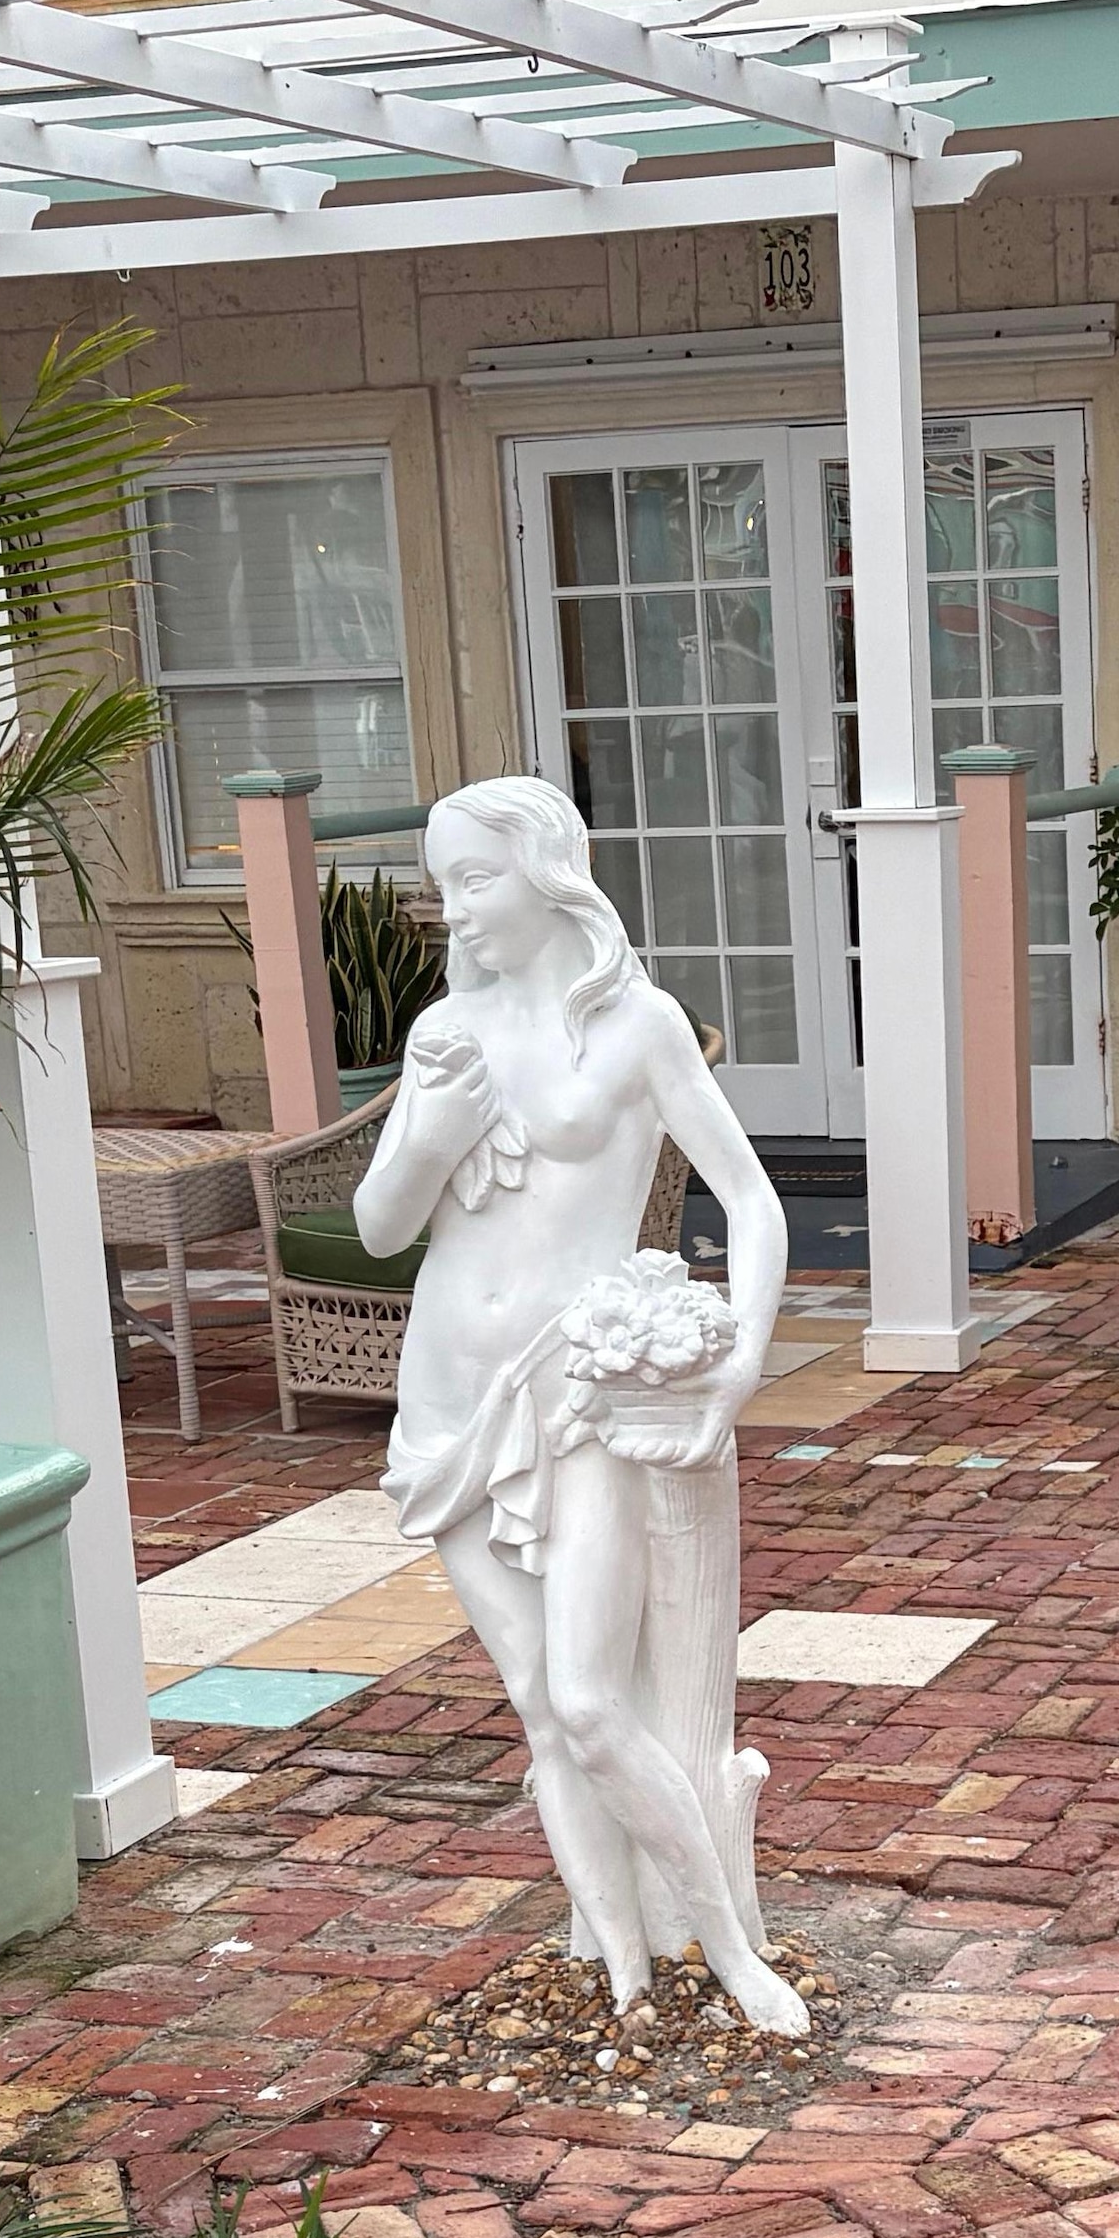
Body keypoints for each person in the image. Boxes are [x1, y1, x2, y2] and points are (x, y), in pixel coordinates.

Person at [361, 774, 810, 2035]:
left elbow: (752, 1200)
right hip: (446, 1395)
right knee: (537, 1710)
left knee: (590, 1702)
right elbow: (382, 1226)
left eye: (474, 880)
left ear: (547, 873)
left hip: (575, 1392)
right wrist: (429, 1134)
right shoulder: (445, 1030)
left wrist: (738, 1365)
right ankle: (618, 1963)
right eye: (441, 886)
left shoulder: (637, 1025)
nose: (453, 912)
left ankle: (728, 1950)